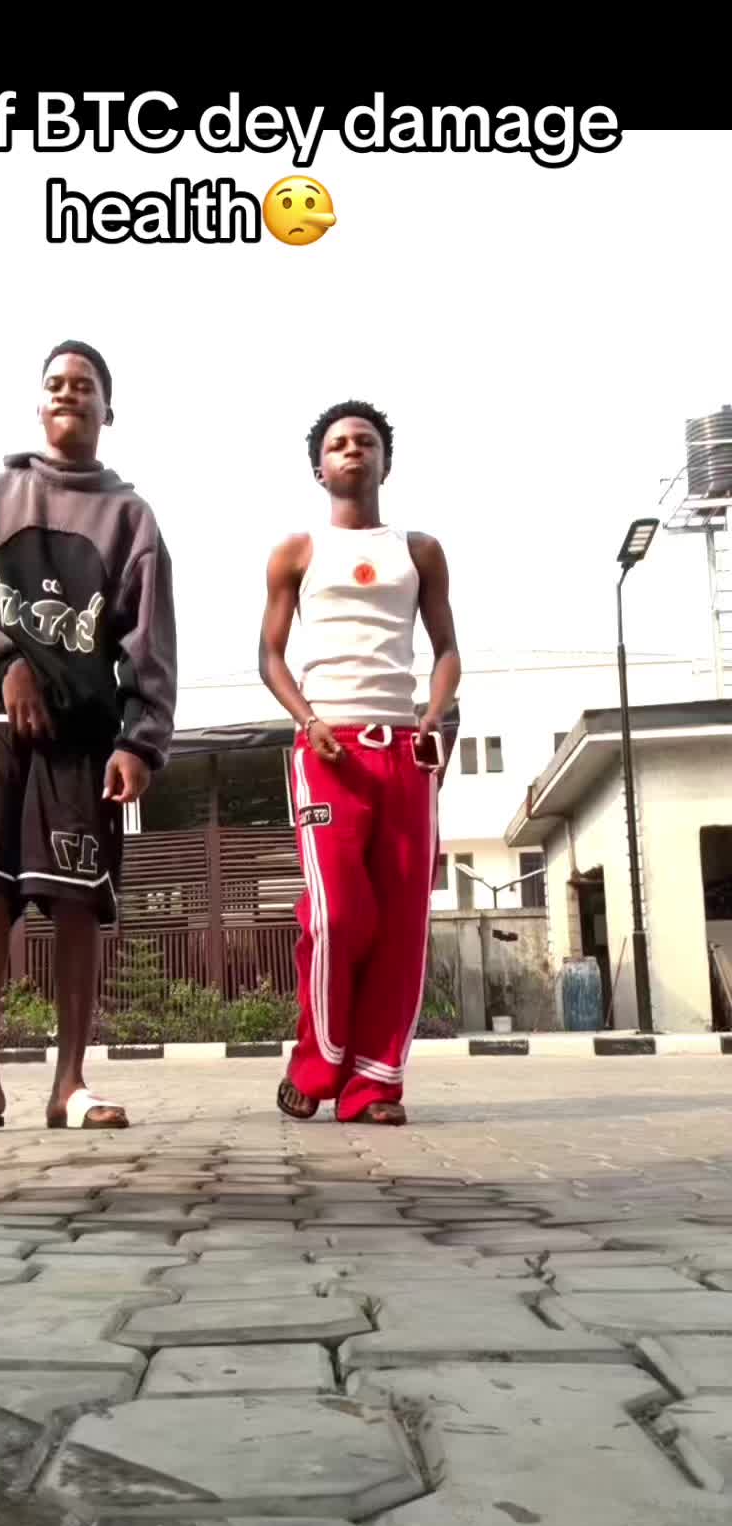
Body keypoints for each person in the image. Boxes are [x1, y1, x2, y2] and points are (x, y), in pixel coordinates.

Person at [0, 341, 177, 1132]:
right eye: (55, 382)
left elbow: (149, 641)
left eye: (84, 385)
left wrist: (139, 741)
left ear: (107, 410)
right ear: (39, 401)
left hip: (84, 734)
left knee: (76, 896)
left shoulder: (130, 518)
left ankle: (70, 1084)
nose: (68, 393)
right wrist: (5, 663)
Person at [259, 399, 461, 1125]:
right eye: (339, 443)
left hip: (405, 750)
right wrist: (307, 719)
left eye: (366, 441)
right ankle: (318, 1065)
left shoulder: (420, 551)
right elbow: (270, 656)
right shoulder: (296, 553)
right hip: (329, 751)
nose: (352, 449)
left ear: (385, 461)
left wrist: (434, 713)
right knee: (339, 915)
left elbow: (446, 650)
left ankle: (374, 1086)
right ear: (320, 468)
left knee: (403, 922)